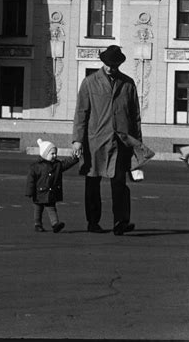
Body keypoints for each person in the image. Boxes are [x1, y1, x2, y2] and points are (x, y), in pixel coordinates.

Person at [72, 44, 142, 235]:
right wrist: (77, 140)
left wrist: (137, 144)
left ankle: (121, 221)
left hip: (120, 142)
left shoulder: (128, 83)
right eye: (108, 64)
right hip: (95, 141)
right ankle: (93, 222)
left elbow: (135, 116)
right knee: (92, 182)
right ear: (103, 63)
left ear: (119, 64)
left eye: (115, 65)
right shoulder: (89, 82)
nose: (111, 68)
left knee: (119, 182)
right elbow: (81, 113)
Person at [25, 138, 79, 233]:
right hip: (39, 192)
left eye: (55, 153)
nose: (55, 156)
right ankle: (38, 224)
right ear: (45, 154)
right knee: (38, 209)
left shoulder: (57, 165)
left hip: (50, 192)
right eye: (52, 154)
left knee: (51, 208)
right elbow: (31, 180)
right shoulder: (36, 166)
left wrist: (74, 158)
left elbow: (66, 164)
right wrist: (29, 192)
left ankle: (55, 224)